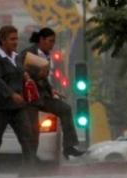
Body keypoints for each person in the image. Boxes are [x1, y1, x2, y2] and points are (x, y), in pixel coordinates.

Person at [18, 28, 85, 159]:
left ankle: (69, 147)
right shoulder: (27, 54)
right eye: (50, 41)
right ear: (41, 40)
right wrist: (29, 74)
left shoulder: (47, 56)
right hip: (30, 99)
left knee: (65, 109)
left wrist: (51, 90)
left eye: (54, 42)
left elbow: (43, 78)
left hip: (43, 96)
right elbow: (17, 69)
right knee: (33, 133)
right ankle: (28, 165)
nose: (52, 45)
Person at [0, 25, 36, 178]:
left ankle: (28, 173)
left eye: (16, 38)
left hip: (17, 108)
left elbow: (20, 71)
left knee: (27, 137)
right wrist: (12, 94)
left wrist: (26, 76)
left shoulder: (16, 57)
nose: (15, 42)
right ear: (2, 40)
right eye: (12, 39)